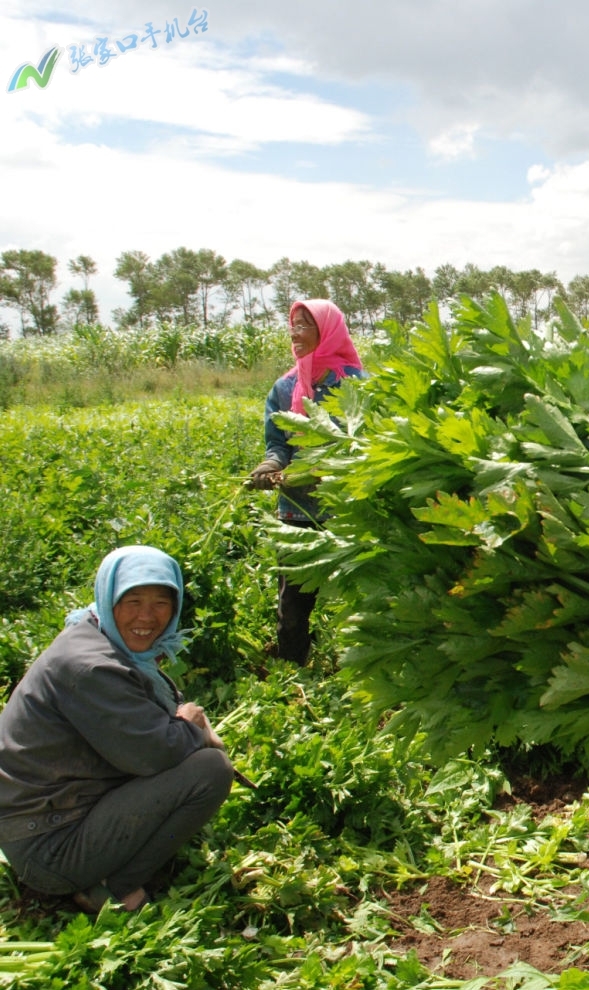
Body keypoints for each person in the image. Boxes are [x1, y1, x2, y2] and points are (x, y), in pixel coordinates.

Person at [0, 546, 235, 913]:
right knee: (210, 770)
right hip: (48, 846)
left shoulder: (96, 634)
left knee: (193, 755)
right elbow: (155, 751)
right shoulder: (91, 668)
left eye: (161, 602)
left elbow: (142, 722)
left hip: (47, 817)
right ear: (108, 598)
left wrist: (188, 729)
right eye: (133, 600)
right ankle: (111, 886)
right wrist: (192, 729)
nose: (147, 616)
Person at [246, 299, 364, 665]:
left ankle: (360, 669)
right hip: (297, 510)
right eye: (292, 324)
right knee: (292, 604)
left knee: (360, 598)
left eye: (304, 325)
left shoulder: (355, 384)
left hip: (347, 508)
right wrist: (270, 465)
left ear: (327, 330)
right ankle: (290, 673)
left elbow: (371, 440)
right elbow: (278, 442)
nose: (294, 332)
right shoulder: (285, 388)